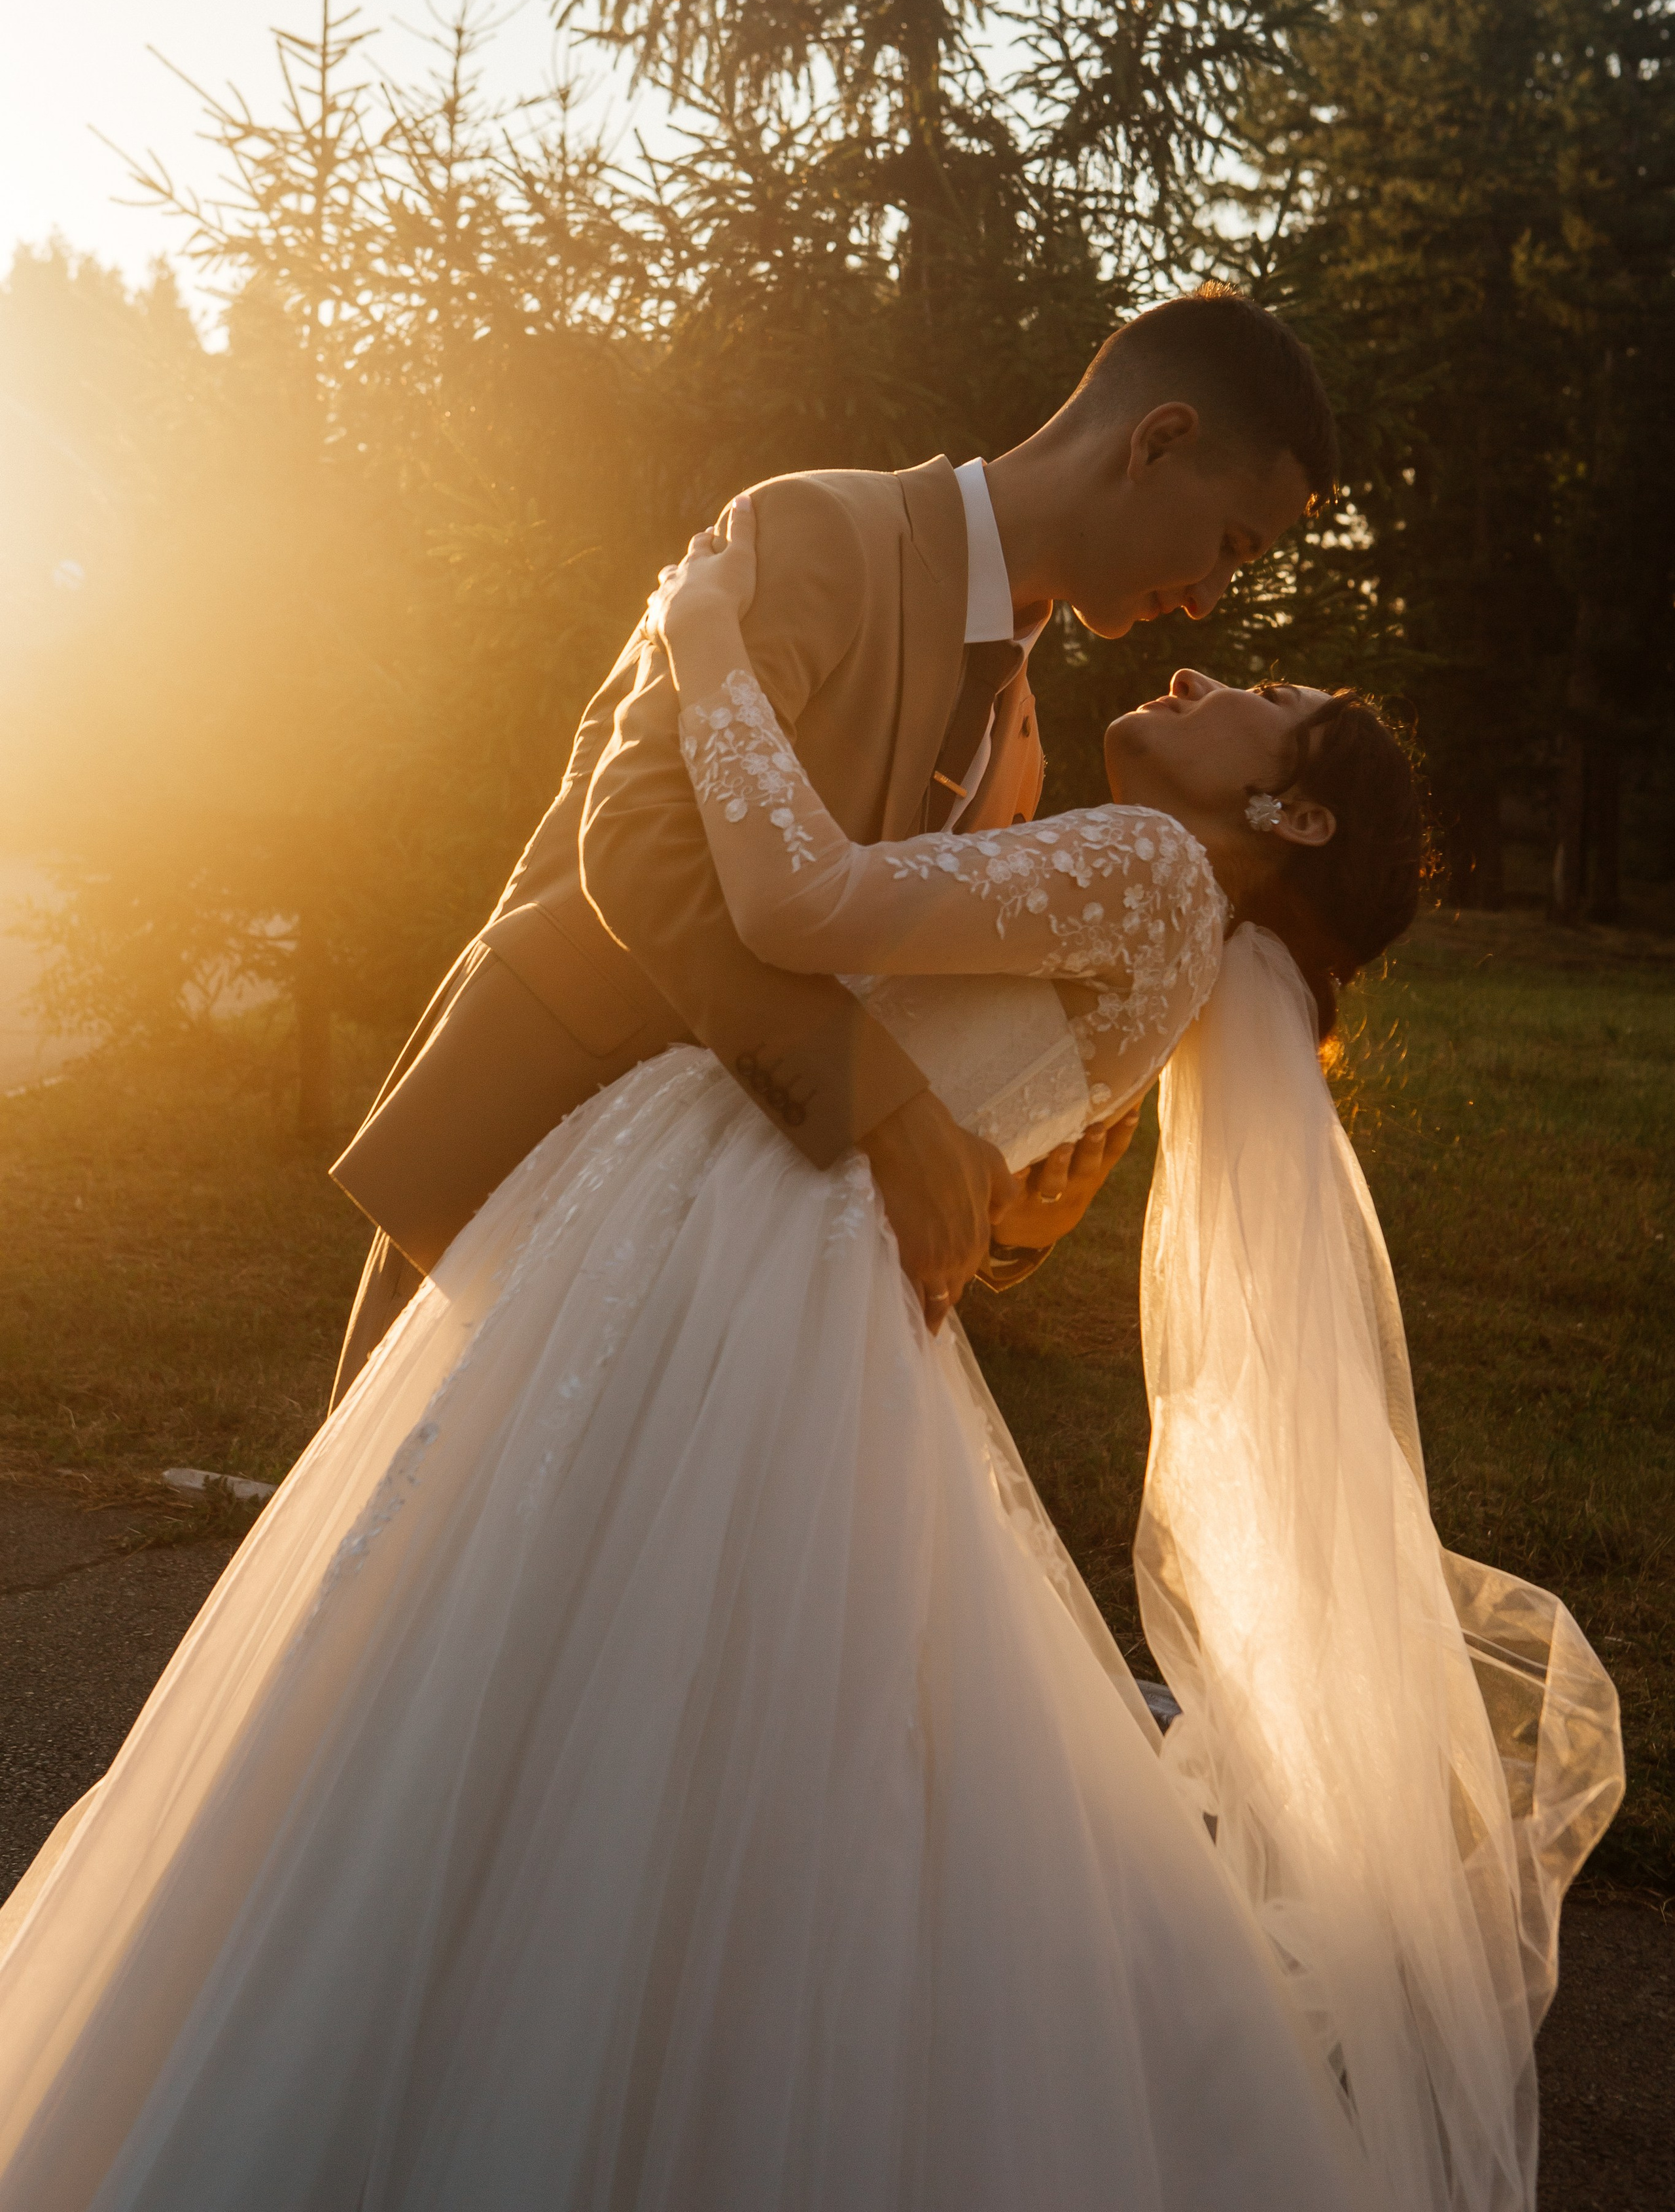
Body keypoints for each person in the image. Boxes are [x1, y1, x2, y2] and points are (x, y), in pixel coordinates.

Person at [0, 497, 1619, 2208]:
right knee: (714, 1741)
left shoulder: (1145, 872)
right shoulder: (1173, 947)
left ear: (1287, 809)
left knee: (506, 1663)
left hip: (735, 1243)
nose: (1211, 660)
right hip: (798, 1266)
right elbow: (993, 1180)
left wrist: (701, 637)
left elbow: (797, 893)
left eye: (1265, 694)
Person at [326, 287, 1335, 1391]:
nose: (1209, 600)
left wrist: (1014, 1193)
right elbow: (635, 842)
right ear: (1160, 442)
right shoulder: (822, 531)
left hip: (715, 1287)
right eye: (1230, 545)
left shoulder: (1022, 738)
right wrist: (879, 1105)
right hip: (532, 1149)